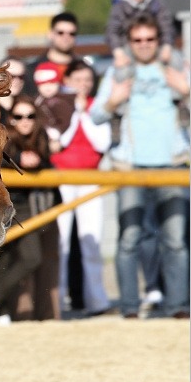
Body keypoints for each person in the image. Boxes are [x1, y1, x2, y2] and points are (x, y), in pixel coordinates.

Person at [91, 14, 190, 319]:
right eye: (138, 40)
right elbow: (95, 115)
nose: (144, 45)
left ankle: (178, 306)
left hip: (172, 164)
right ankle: (130, 308)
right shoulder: (118, 73)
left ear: (159, 41)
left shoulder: (177, 68)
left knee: (175, 241)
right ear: (129, 43)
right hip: (129, 166)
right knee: (128, 240)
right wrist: (112, 102)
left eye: (150, 39)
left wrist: (187, 92)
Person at [0, 96, 58, 325]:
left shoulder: (40, 138)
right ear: (10, 118)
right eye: (19, 116)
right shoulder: (3, 138)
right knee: (20, 258)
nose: (25, 121)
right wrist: (19, 159)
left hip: (29, 206)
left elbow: (47, 165)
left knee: (25, 258)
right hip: (4, 204)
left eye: (30, 116)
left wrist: (39, 160)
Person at [50, 61, 112, 316]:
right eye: (78, 79)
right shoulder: (55, 104)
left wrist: (83, 113)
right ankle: (58, 301)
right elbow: (58, 141)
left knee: (92, 241)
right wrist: (74, 113)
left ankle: (97, 301)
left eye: (87, 79)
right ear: (68, 80)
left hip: (89, 177)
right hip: (62, 177)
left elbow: (102, 143)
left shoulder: (98, 106)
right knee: (61, 242)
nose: (83, 85)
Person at [106, 0, 179, 72]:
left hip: (154, 47)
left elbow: (166, 26)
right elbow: (112, 31)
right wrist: (118, 51)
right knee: (122, 71)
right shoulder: (119, 6)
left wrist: (166, 46)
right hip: (129, 48)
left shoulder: (156, 3)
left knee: (175, 62)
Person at [23, 11, 82, 96]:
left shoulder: (84, 69)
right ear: (50, 34)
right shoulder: (31, 70)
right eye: (60, 33)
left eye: (72, 33)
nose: (66, 37)